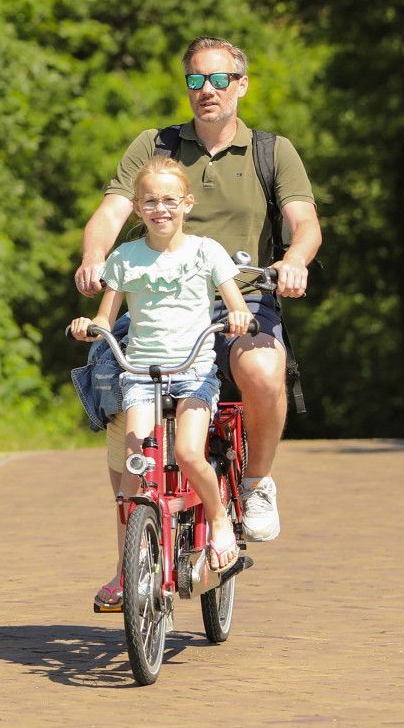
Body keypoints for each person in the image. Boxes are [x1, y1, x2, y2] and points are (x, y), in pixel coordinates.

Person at [74, 36, 321, 558]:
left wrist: (294, 260)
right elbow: (112, 212)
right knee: (111, 383)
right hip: (154, 300)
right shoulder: (154, 145)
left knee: (262, 371)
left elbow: (305, 224)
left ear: (241, 85)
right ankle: (133, 555)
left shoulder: (271, 151)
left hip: (240, 297)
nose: (206, 90)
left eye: (218, 79)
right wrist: (94, 256)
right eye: (195, 80)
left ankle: (255, 483)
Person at [70, 156, 252, 609]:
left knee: (190, 453)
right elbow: (106, 317)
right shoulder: (125, 257)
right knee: (134, 470)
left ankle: (218, 520)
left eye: (170, 200)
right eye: (150, 201)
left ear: (187, 204)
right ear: (136, 208)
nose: (161, 208)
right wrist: (89, 325)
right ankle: (132, 567)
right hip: (139, 374)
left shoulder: (206, 251)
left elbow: (233, 301)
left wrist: (239, 314)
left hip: (193, 373)